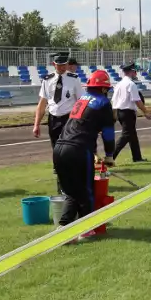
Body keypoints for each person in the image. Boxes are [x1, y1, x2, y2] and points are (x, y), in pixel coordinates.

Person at [54, 70, 116, 240]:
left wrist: (95, 153)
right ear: (104, 89)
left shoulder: (82, 100)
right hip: (78, 149)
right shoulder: (103, 102)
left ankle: (64, 228)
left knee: (71, 192)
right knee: (86, 190)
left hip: (59, 148)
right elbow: (108, 133)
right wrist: (109, 155)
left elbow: (83, 126)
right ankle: (86, 229)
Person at [33, 52, 83, 193]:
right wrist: (36, 124)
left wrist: (80, 122)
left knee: (69, 152)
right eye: (59, 65)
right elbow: (42, 104)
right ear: (54, 64)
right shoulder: (47, 80)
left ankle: (72, 184)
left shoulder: (74, 79)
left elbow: (81, 103)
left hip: (69, 119)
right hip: (53, 119)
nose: (62, 68)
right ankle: (61, 186)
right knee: (57, 153)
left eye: (64, 65)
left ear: (67, 64)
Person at [111, 62, 151, 162]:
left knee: (132, 135)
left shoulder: (119, 84)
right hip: (128, 113)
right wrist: (146, 111)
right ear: (131, 72)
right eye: (135, 71)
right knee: (126, 135)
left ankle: (137, 157)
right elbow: (137, 100)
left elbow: (113, 100)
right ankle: (110, 157)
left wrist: (114, 114)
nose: (136, 74)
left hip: (120, 112)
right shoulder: (131, 84)